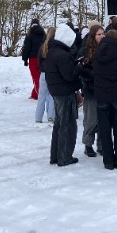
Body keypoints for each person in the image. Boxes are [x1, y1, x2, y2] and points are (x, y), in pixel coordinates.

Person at [93, 29, 117, 170]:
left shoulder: (96, 56)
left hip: (102, 96)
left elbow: (94, 74)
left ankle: (108, 161)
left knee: (104, 130)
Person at [44, 24, 81, 167]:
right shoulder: (62, 54)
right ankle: (64, 157)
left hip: (56, 91)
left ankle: (56, 156)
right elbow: (69, 75)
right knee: (67, 125)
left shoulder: (52, 51)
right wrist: (78, 67)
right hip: (65, 92)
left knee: (59, 125)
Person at [76, 25, 103, 158]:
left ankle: (102, 144)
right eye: (99, 34)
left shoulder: (106, 47)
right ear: (93, 36)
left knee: (103, 119)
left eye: (103, 34)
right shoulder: (85, 50)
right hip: (91, 88)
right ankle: (88, 144)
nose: (101, 36)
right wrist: (94, 74)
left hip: (104, 88)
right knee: (91, 119)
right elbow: (80, 69)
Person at [21, 18, 46, 99]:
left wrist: (25, 59)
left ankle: (40, 95)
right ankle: (35, 94)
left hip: (33, 58)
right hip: (42, 57)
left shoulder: (30, 34)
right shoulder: (43, 33)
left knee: (36, 77)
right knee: (41, 77)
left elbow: (26, 48)